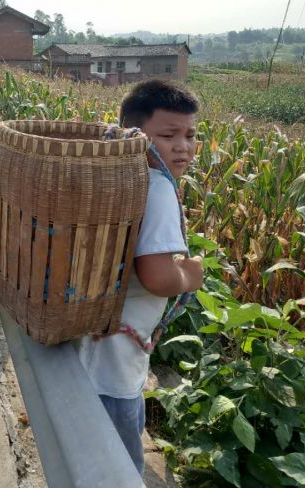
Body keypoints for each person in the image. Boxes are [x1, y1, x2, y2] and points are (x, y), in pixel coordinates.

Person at [76, 78, 204, 476]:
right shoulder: (158, 188)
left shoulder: (114, 175)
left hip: (86, 348)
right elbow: (156, 275)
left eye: (190, 135)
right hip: (115, 365)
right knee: (119, 467)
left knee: (86, 452)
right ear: (136, 134)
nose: (182, 146)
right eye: (168, 135)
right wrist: (189, 275)